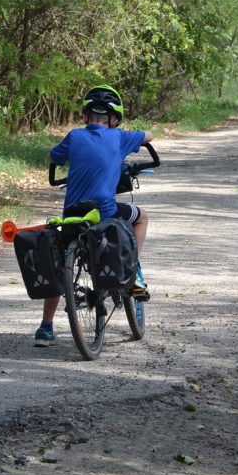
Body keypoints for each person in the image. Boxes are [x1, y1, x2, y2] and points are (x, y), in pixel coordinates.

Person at [34, 84, 153, 347]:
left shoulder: (74, 136)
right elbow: (149, 135)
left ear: (85, 116)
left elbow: (53, 157)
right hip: (104, 213)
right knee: (142, 216)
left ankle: (45, 327)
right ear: (115, 120)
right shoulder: (120, 137)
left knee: (61, 266)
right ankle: (134, 273)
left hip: (72, 215)